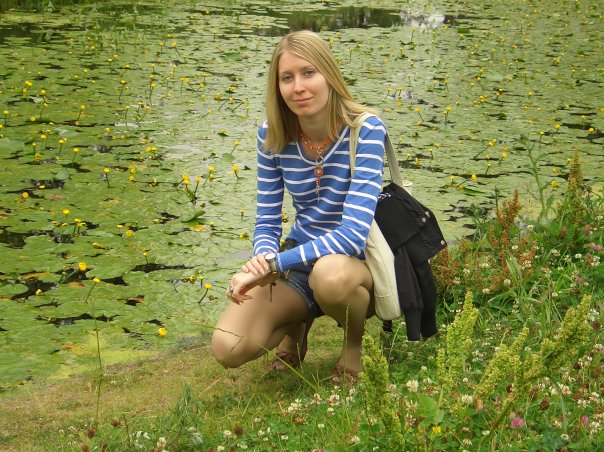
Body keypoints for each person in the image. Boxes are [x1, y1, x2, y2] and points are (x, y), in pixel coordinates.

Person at [211, 30, 387, 380]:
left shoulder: (365, 130)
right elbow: (267, 220)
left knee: (330, 275)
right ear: (277, 87)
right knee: (228, 347)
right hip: (300, 262)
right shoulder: (272, 134)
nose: (299, 87)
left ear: (329, 74)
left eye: (309, 73)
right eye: (287, 78)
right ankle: (297, 324)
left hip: (353, 266)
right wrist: (262, 262)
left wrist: (276, 262)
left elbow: (352, 235)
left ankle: (353, 348)